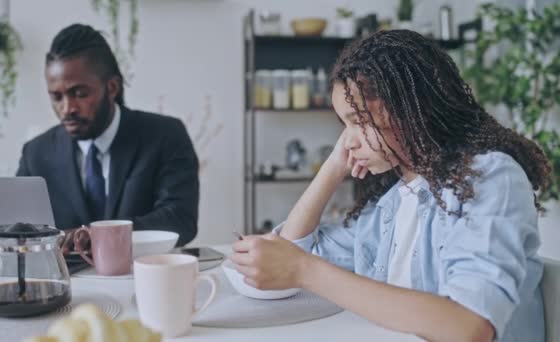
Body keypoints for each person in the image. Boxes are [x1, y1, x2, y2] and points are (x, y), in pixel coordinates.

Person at [231, 30, 549, 342]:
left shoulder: (490, 178)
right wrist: (332, 168)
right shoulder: (394, 201)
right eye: (344, 125)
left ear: (412, 109)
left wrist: (305, 270)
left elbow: (469, 326)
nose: (348, 141)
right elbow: (291, 253)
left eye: (359, 121)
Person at [17, 24, 199, 248]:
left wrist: (98, 235)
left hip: (141, 278)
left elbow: (180, 220)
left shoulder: (165, 135)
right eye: (56, 97)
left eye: (80, 93)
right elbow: (19, 231)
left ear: (112, 87)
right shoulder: (35, 154)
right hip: (65, 281)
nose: (67, 108)